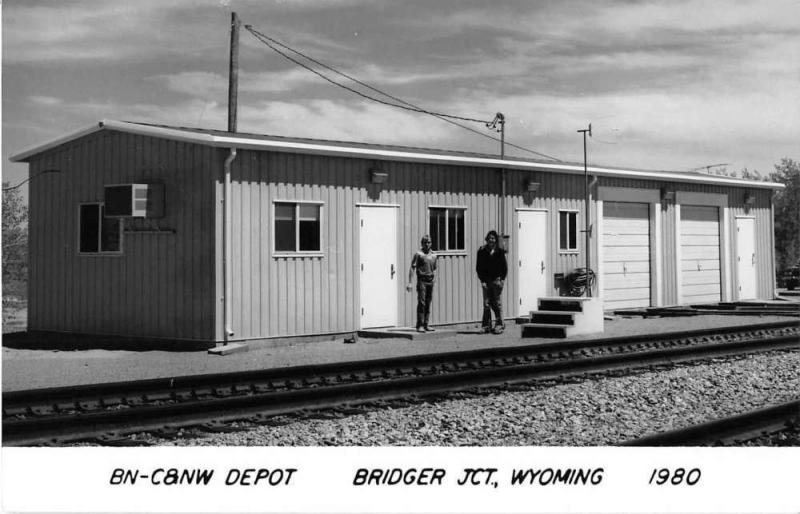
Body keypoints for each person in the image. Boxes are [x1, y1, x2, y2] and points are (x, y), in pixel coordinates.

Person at [476, 230, 507, 334]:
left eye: (493, 238)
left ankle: (499, 325)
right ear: (487, 239)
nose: (491, 240)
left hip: (496, 281)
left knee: (497, 303)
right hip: (486, 281)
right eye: (489, 238)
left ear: (496, 240)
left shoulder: (500, 252)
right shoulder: (481, 251)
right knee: (486, 304)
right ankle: (486, 326)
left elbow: (504, 268)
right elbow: (478, 268)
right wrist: (482, 281)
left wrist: (502, 280)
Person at [407, 235, 438, 333]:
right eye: (425, 242)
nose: (427, 244)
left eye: (428, 242)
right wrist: (410, 282)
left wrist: (434, 279)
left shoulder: (434, 255)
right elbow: (412, 268)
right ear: (422, 243)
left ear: (431, 243)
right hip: (422, 281)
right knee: (422, 303)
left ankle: (426, 324)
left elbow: (435, 269)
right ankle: (419, 325)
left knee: (428, 303)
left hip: (430, 281)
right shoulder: (418, 254)